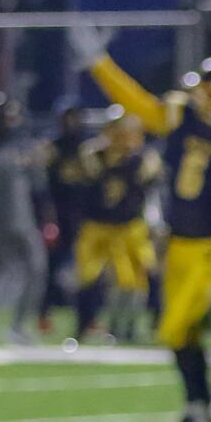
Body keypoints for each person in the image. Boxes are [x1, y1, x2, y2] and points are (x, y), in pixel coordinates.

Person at [70, 24, 211, 422]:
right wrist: (100, 65)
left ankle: (199, 406)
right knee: (181, 334)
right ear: (201, 93)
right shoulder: (180, 117)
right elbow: (133, 101)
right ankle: (200, 409)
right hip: (177, 245)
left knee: (174, 327)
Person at [73, 107, 162, 342]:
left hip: (129, 226)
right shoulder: (93, 154)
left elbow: (149, 178)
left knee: (134, 280)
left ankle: (127, 328)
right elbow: (91, 169)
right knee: (88, 277)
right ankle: (84, 326)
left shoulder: (143, 158)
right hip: (98, 225)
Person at [0, 92, 47, 343]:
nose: (9, 120)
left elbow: (39, 189)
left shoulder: (23, 149)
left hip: (24, 222)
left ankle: (18, 326)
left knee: (37, 270)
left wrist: (47, 219)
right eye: (5, 115)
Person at [40, 100, 90, 334]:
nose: (72, 122)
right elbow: (44, 186)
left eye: (75, 117)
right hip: (59, 215)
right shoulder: (53, 147)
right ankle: (43, 315)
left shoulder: (87, 147)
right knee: (51, 268)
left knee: (87, 270)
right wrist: (48, 218)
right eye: (68, 118)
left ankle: (87, 319)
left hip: (83, 215)